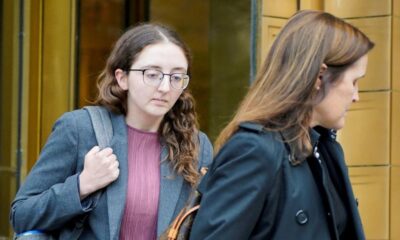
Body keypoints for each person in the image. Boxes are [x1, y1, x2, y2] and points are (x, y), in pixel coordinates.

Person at [10, 23, 213, 239]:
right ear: (122, 78)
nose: (165, 87)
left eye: (176, 77)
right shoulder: (80, 129)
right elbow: (21, 214)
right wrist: (81, 186)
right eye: (152, 74)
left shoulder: (197, 147)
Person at [189, 10, 374, 240]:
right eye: (354, 82)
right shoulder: (254, 150)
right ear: (319, 77)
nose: (356, 96)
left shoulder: (327, 150)